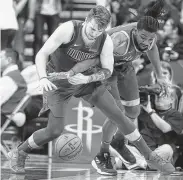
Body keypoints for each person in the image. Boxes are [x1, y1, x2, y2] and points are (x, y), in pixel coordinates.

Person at [8, 5, 174, 176]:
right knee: (54, 130)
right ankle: (20, 152)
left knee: (118, 114)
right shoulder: (68, 29)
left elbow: (107, 70)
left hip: (87, 78)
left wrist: (86, 78)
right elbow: (41, 54)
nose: (94, 33)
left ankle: (149, 156)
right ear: (86, 20)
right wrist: (43, 77)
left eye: (99, 30)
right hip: (60, 81)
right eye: (92, 28)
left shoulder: (106, 40)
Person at [90, 0, 173, 175]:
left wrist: (159, 76)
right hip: (105, 68)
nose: (146, 42)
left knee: (133, 112)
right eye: (143, 38)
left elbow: (152, 49)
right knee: (117, 113)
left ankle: (119, 142)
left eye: (150, 39)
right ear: (135, 31)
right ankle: (102, 154)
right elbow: (94, 57)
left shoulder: (149, 36)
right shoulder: (119, 38)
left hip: (124, 66)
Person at [0, 49, 27, 127]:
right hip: (10, 115)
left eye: (0, 57)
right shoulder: (14, 75)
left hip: (8, 116)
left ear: (9, 60)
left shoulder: (9, 79)